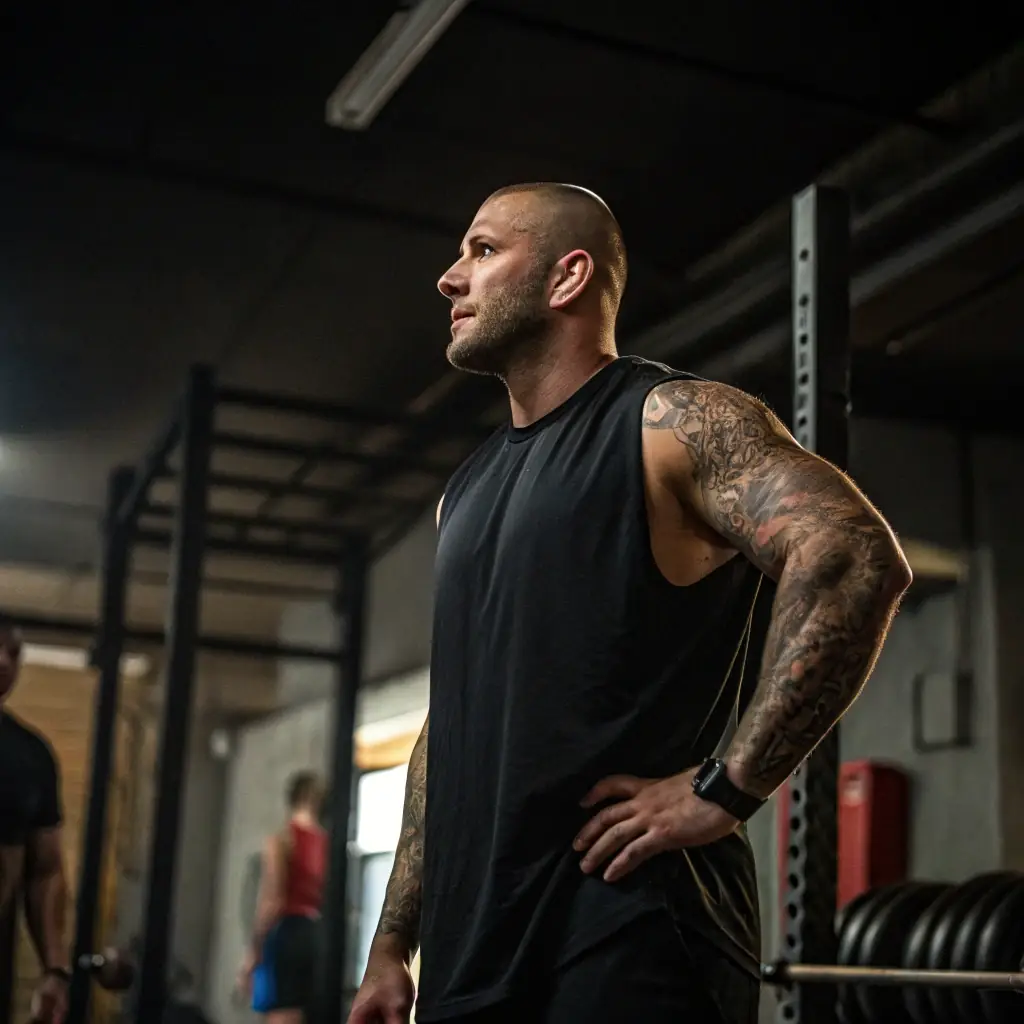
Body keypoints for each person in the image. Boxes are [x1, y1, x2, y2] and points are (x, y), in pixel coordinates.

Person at [348, 183, 912, 1024]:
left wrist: (725, 788)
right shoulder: (462, 495)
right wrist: (393, 942)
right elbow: (452, 724)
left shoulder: (670, 425)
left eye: (484, 250)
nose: (449, 278)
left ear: (567, 276)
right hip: (472, 957)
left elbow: (850, 553)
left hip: (627, 934)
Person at [0, 614, 71, 1024]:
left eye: (13, 652)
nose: (3, 661)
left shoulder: (31, 755)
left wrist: (54, 970)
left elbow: (45, 871)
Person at [239, 770, 327, 1024]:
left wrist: (253, 951)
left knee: (282, 1014)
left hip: (288, 933)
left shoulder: (283, 839)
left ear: (291, 799)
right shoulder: (327, 844)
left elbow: (273, 899)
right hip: (317, 935)